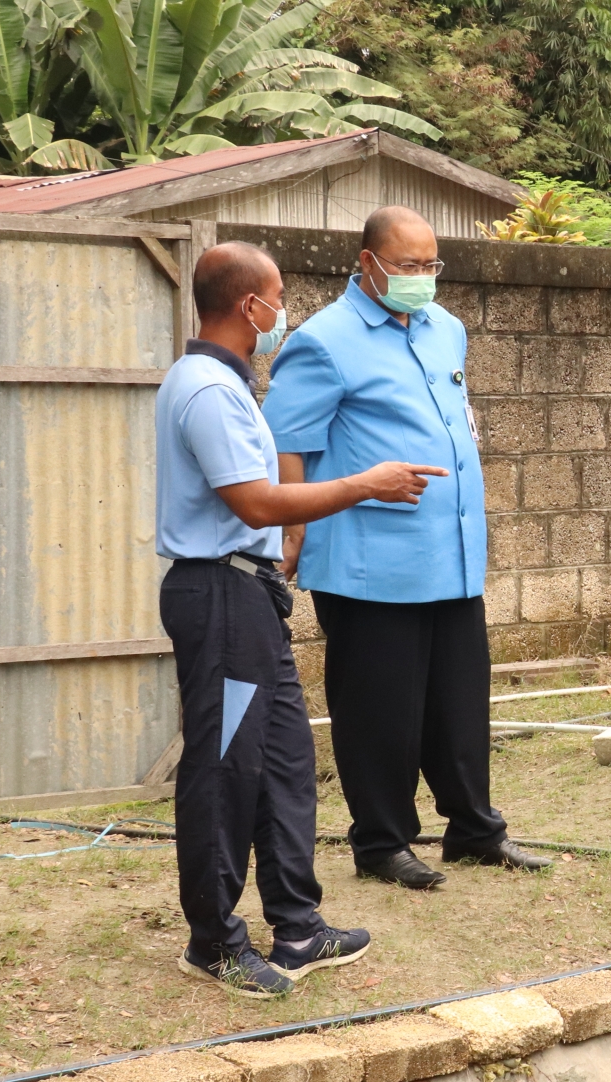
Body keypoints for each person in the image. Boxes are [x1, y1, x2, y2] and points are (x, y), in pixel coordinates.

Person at [157, 241, 446, 997]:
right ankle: (213, 940)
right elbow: (252, 501)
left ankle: (298, 924)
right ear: (248, 305)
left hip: (250, 597)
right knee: (225, 770)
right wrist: (364, 485)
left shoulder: (228, 382)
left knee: (284, 761)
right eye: (277, 296)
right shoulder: (208, 391)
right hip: (220, 598)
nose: (283, 311)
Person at [265, 207, 552, 890]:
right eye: (408, 266)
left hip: (448, 552)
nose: (423, 278)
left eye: (431, 266)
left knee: (459, 700)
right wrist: (291, 533)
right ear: (367, 264)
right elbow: (288, 446)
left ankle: (474, 829)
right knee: (380, 708)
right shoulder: (323, 341)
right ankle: (381, 841)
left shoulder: (444, 329)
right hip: (369, 559)